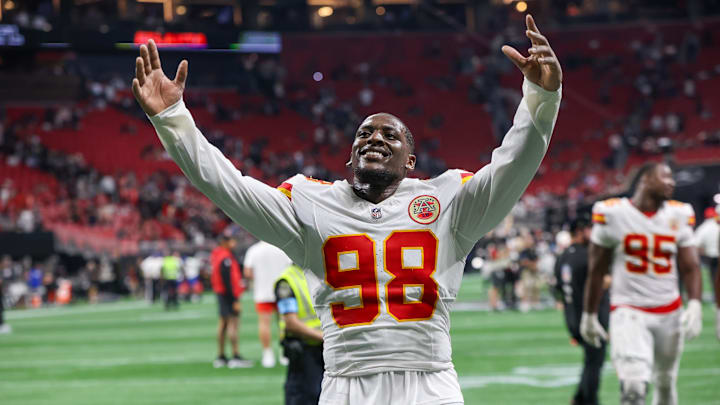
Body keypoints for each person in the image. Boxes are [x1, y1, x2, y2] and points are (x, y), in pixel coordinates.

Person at [132, 14, 562, 404]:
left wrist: (541, 100)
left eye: (390, 136)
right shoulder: (311, 204)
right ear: (350, 157)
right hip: (345, 383)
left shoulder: (448, 201)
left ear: (410, 163)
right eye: (365, 133)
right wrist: (173, 118)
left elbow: (512, 167)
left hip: (430, 381)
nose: (375, 137)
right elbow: (226, 186)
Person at [581, 162, 703, 405]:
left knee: (666, 381)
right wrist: (589, 314)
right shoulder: (612, 213)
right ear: (645, 180)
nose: (672, 182)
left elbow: (691, 267)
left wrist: (696, 303)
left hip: (669, 310)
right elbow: (596, 270)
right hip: (629, 311)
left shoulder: (678, 214)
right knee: (634, 387)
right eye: (664, 177)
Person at [554, 216, 609, 405]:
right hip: (590, 318)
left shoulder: (563, 256)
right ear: (580, 231)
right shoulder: (587, 255)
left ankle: (578, 398)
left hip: (572, 318)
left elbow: (559, 288)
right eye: (589, 229)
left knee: (590, 361)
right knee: (595, 363)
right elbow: (598, 286)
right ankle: (590, 401)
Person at [275, 264, 324, 405]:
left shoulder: (318, 273)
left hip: (324, 349)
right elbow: (291, 323)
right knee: (304, 396)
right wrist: (325, 337)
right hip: (304, 349)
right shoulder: (286, 281)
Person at [244, 240, 292, 368]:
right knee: (284, 323)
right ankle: (284, 352)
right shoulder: (281, 247)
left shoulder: (254, 250)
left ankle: (267, 353)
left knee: (264, 323)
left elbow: (247, 272)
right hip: (282, 291)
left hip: (263, 292)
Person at [210, 232, 253, 368]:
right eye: (232, 241)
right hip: (227, 295)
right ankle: (235, 355)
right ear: (224, 242)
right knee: (233, 323)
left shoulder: (217, 255)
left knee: (223, 324)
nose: (234, 244)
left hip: (221, 294)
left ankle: (221, 356)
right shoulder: (225, 258)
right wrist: (234, 299)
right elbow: (227, 280)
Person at [695, 206, 718, 302]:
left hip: (711, 257)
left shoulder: (704, 227)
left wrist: (703, 251)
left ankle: (716, 298)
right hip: (714, 257)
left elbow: (695, 244)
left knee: (714, 280)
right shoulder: (713, 225)